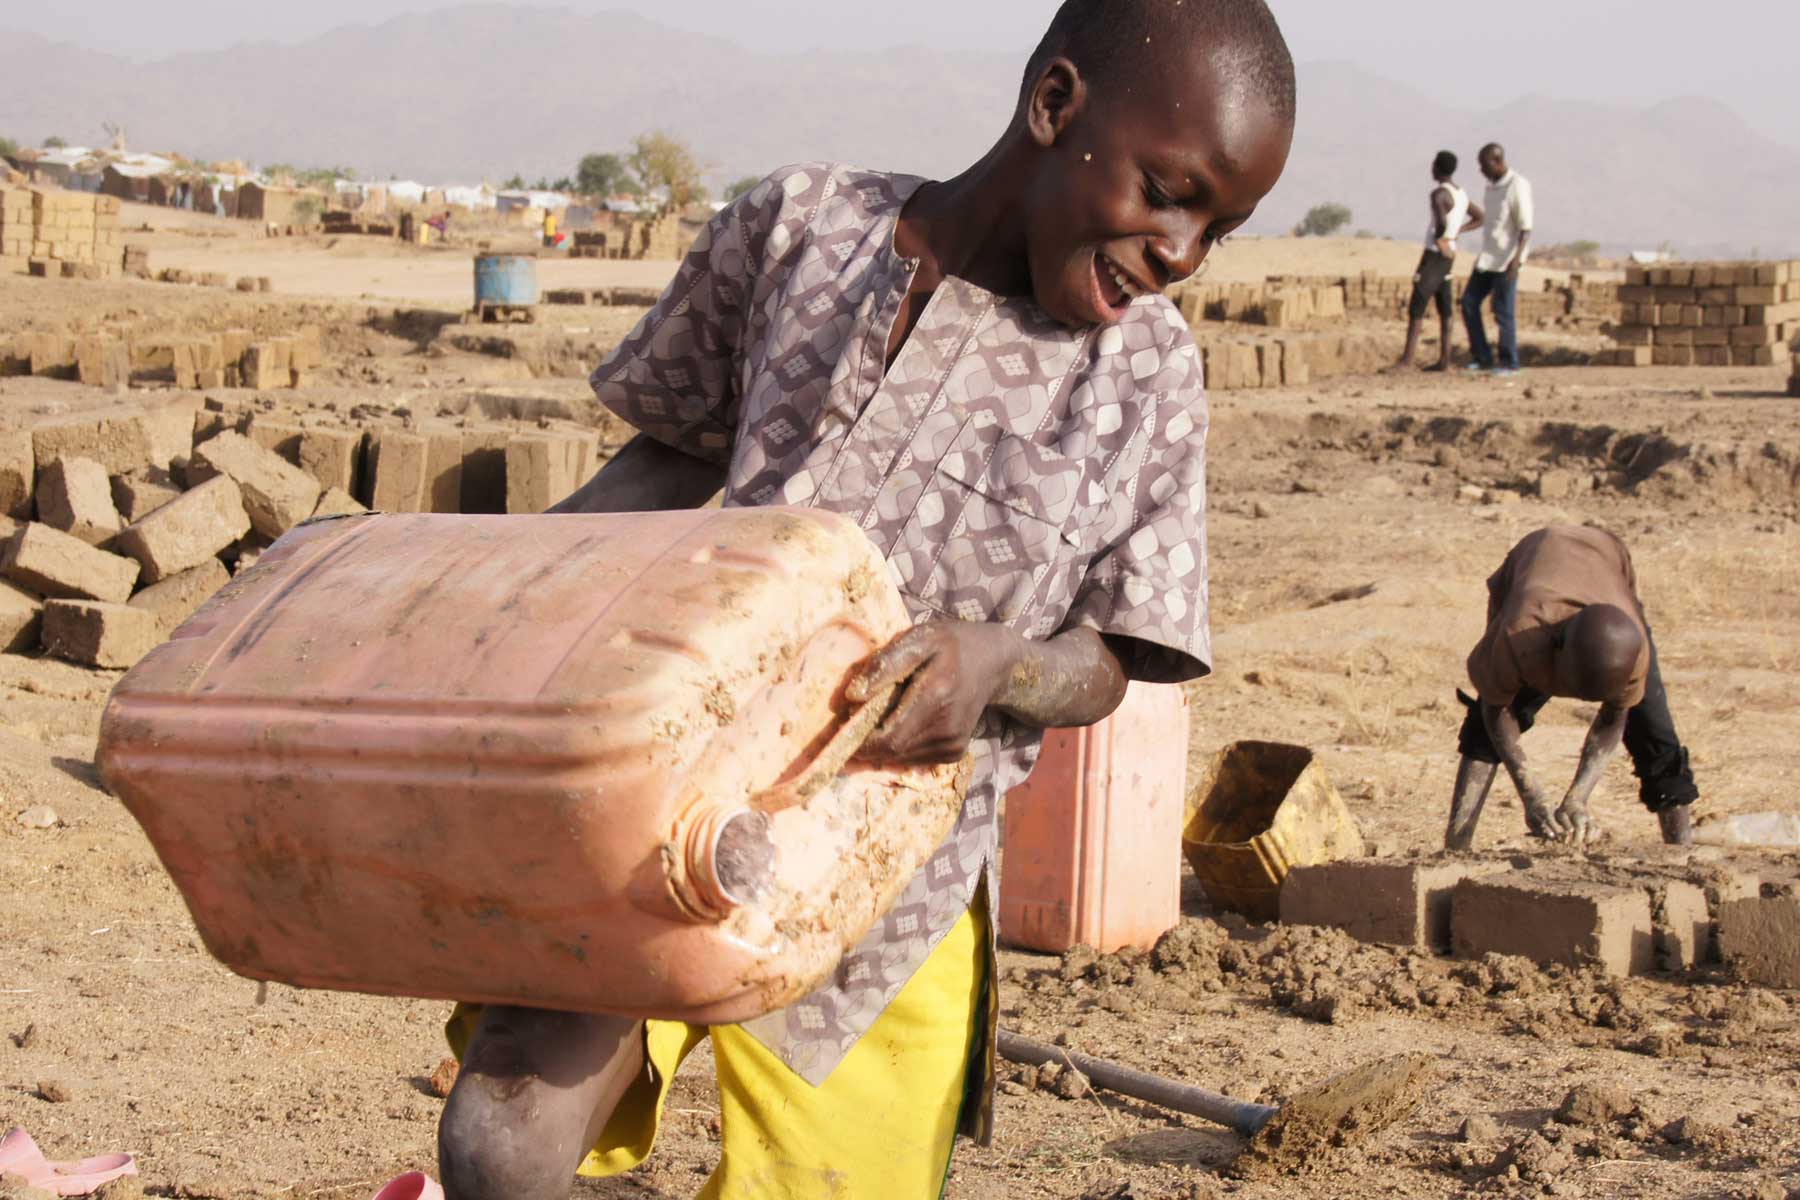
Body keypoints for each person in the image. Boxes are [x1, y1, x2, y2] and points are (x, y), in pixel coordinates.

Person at [432, 2, 1295, 1197]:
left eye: (1220, 227)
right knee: (497, 1144)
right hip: (673, 796)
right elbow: (665, 466)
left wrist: (998, 666)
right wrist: (477, 590)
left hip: (894, 876)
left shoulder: (1145, 379)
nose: (1184, 250)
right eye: (1168, 190)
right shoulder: (799, 229)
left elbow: (1110, 657)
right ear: (1056, 108)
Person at [1445, 525, 1698, 851]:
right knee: (1486, 725)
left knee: (1654, 732)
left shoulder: (1634, 650)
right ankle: (1455, 847)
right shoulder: (1521, 633)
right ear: (1557, 651)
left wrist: (1577, 799)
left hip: (1606, 559)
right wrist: (1532, 795)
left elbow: (1615, 716)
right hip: (1536, 567)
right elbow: (1496, 712)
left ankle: (1682, 855)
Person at [1392, 150, 1482, 372]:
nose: (1431, 169)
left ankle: (1407, 360)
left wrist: (1442, 236)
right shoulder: (1460, 194)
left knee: (1418, 302)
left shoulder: (1439, 194)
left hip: (1436, 253)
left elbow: (1441, 222)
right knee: (1445, 306)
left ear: (1438, 167)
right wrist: (1457, 231)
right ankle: (1445, 360)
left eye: (1433, 165)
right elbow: (1480, 217)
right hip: (1451, 252)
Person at [1460, 142, 1533, 377]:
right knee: (1469, 303)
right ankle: (1482, 358)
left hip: (1507, 259)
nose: (1481, 170)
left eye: (1484, 165)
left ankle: (1509, 362)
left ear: (1498, 162)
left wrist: (1517, 259)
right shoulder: (1491, 188)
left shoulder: (1517, 185)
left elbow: (1525, 227)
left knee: (1503, 311)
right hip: (1488, 258)